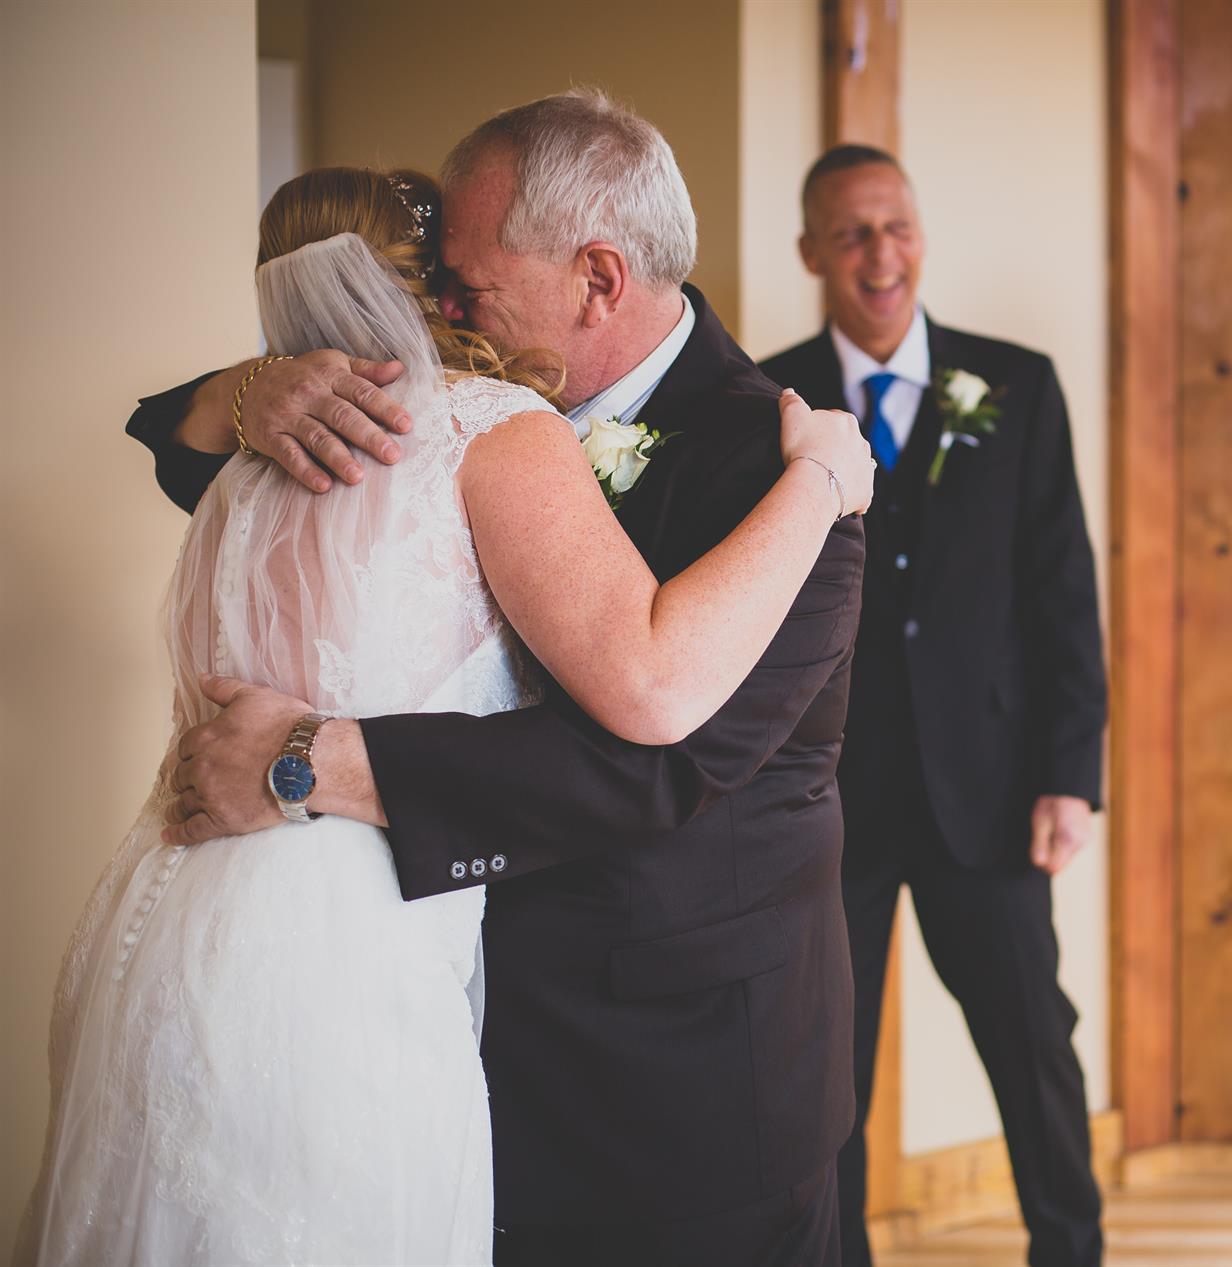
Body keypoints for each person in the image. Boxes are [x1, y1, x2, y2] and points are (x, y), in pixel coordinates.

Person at [95, 91, 872, 1267]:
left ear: (596, 280)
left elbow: (663, 759)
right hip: (428, 1028)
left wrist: (314, 760)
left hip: (679, 1081)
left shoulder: (781, 465)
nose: (439, 308)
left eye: (461, 281)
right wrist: (237, 392)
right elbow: (191, 456)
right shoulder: (434, 419)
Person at [761, 144, 1107, 1267]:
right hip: (827, 799)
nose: (881, 254)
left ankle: (1071, 1250)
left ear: (921, 235)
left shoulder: (1017, 384)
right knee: (824, 1069)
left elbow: (1062, 593)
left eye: (897, 226)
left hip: (990, 791)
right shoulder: (765, 400)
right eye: (852, 233)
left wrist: (1069, 776)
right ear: (811, 252)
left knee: (1034, 1044)